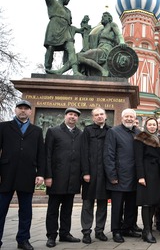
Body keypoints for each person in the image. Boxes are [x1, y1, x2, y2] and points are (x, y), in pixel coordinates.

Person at [0, 100, 45, 250]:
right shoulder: (4, 127)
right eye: (20, 108)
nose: (23, 111)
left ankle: (23, 240)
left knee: (26, 211)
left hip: (27, 174)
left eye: (26, 109)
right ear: (15, 110)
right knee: (1, 210)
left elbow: (41, 155)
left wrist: (40, 174)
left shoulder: (37, 131)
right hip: (6, 174)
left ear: (30, 112)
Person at [44, 107, 82, 248]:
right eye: (70, 114)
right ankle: (51, 236)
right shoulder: (53, 131)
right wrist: (48, 175)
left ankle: (65, 233)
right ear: (65, 116)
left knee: (68, 208)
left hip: (73, 178)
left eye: (75, 115)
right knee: (53, 209)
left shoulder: (80, 133)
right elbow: (47, 155)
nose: (72, 117)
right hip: (56, 178)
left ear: (78, 118)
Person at [103, 108, 141, 243]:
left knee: (132, 205)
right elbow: (109, 155)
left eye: (132, 116)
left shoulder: (138, 132)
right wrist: (112, 175)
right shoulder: (113, 132)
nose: (129, 119)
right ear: (122, 118)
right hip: (119, 176)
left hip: (135, 176)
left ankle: (128, 228)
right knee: (117, 207)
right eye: (127, 116)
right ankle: (116, 230)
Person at [49, 12, 126, 76]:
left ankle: (60, 71)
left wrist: (122, 42)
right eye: (102, 16)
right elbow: (90, 41)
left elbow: (119, 34)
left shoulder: (112, 25)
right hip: (99, 48)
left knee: (79, 56)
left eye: (104, 16)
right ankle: (60, 71)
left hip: (106, 50)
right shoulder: (101, 30)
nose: (102, 18)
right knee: (77, 56)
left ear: (109, 18)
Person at [80, 108, 111, 244]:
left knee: (103, 203)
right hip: (90, 173)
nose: (99, 117)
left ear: (106, 116)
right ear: (93, 118)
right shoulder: (87, 131)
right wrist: (85, 172)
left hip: (105, 174)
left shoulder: (111, 131)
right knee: (88, 203)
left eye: (101, 114)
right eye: (96, 115)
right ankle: (86, 232)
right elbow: (84, 152)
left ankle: (100, 230)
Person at [134, 118, 160, 243]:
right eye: (150, 124)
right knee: (146, 202)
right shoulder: (141, 138)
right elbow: (138, 158)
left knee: (153, 201)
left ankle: (149, 229)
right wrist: (141, 176)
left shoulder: (158, 139)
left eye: (154, 125)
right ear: (146, 126)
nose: (152, 127)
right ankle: (147, 231)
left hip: (156, 172)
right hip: (146, 172)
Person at [41, 0, 80, 75]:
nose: (68, 1)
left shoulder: (68, 11)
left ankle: (75, 71)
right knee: (51, 48)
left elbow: (70, 27)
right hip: (54, 29)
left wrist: (80, 30)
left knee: (71, 48)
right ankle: (48, 69)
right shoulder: (53, 3)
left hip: (65, 31)